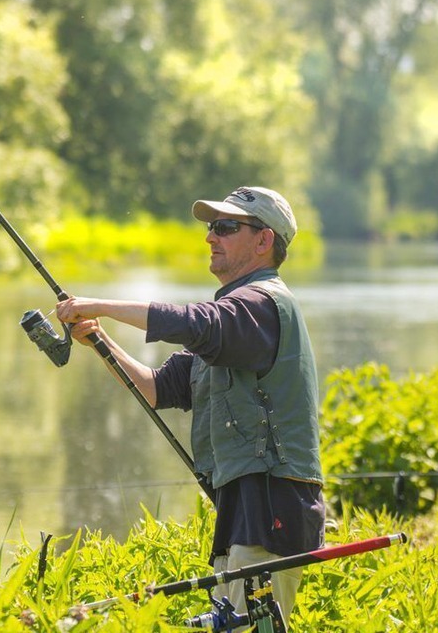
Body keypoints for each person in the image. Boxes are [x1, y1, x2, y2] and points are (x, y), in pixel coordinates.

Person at [55, 185, 324, 621]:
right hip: (241, 512)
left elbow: (196, 322)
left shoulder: (261, 305)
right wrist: (99, 339)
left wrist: (99, 304)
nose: (210, 237)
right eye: (211, 228)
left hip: (270, 509)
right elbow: (155, 388)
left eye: (225, 227)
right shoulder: (231, 322)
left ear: (263, 240)